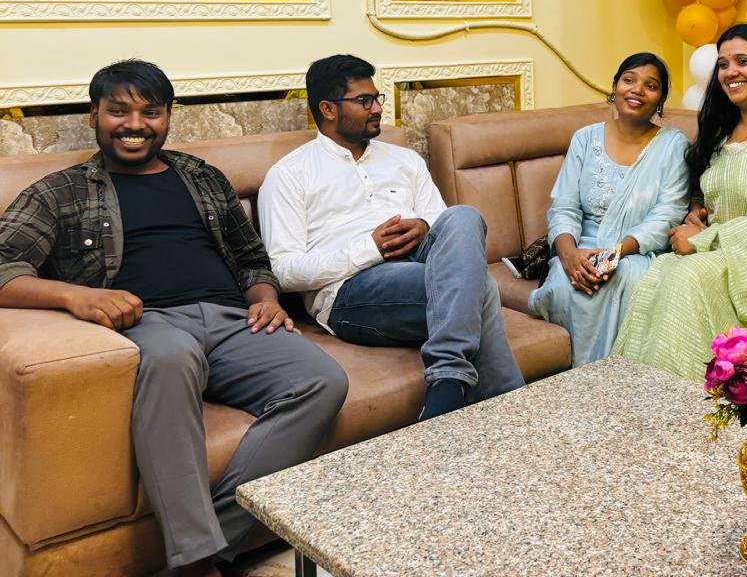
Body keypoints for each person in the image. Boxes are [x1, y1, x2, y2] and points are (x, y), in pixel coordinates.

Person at [0, 60, 347, 577]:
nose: (135, 124)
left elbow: (251, 258)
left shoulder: (202, 177)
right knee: (173, 355)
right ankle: (197, 560)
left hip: (233, 320)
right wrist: (75, 296)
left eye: (151, 112)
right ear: (94, 115)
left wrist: (266, 297)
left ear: (167, 118)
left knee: (322, 381)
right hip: (148, 323)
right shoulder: (61, 191)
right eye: (119, 111)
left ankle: (208, 544)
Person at [259, 55, 523, 421]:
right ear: (328, 109)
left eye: (377, 98)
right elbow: (283, 270)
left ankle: (449, 381)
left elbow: (446, 228)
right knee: (482, 287)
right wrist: (370, 248)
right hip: (351, 290)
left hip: (423, 261)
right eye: (364, 101)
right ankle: (505, 408)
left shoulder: (405, 160)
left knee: (464, 216)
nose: (378, 108)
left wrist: (424, 227)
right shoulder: (289, 175)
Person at [614, 24, 747, 380]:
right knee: (658, 271)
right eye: (723, 64)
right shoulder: (724, 130)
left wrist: (702, 239)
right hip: (724, 255)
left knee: (687, 275)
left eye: (742, 61)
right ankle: (640, 393)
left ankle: (684, 399)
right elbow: (714, 189)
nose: (730, 72)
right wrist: (696, 212)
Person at [528, 53, 689, 366]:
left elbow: (667, 215)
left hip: (637, 253)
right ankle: (573, 382)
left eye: (651, 86)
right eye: (629, 80)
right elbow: (564, 208)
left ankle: (617, 381)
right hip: (582, 249)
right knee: (563, 284)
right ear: (614, 87)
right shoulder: (585, 139)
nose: (637, 90)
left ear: (660, 100)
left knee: (626, 280)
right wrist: (569, 256)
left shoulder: (673, 146)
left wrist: (616, 254)